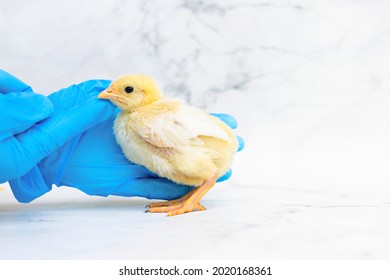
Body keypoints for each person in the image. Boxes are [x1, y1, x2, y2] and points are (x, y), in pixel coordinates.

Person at [0, 69, 244, 203]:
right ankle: (189, 200)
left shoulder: (143, 120)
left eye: (126, 91)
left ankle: (190, 202)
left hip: (204, 151)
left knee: (204, 172)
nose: (109, 93)